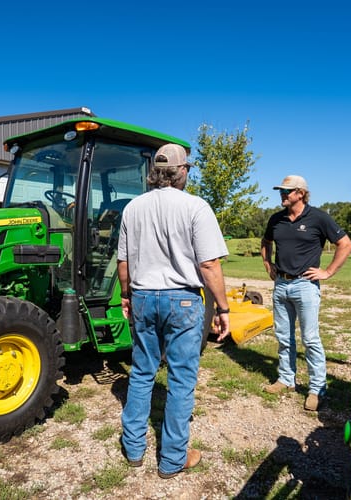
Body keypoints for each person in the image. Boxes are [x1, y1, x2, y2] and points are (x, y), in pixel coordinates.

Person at [117, 143, 231, 479]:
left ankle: (134, 448)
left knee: (141, 373)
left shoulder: (133, 208)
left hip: (142, 296)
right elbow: (208, 264)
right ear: (182, 171)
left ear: (154, 171)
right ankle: (172, 460)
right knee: (181, 380)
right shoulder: (196, 207)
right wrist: (223, 307)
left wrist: (126, 295)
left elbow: (124, 262)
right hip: (181, 299)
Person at [260, 175, 351, 411]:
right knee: (283, 337)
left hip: (305, 286)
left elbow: (345, 244)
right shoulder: (276, 219)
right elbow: (266, 241)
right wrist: (267, 263)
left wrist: (328, 271)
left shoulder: (319, 217)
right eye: (281, 190)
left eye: (287, 191)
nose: (282, 194)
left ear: (300, 193)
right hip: (281, 284)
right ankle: (286, 379)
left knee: (310, 339)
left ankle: (316, 389)